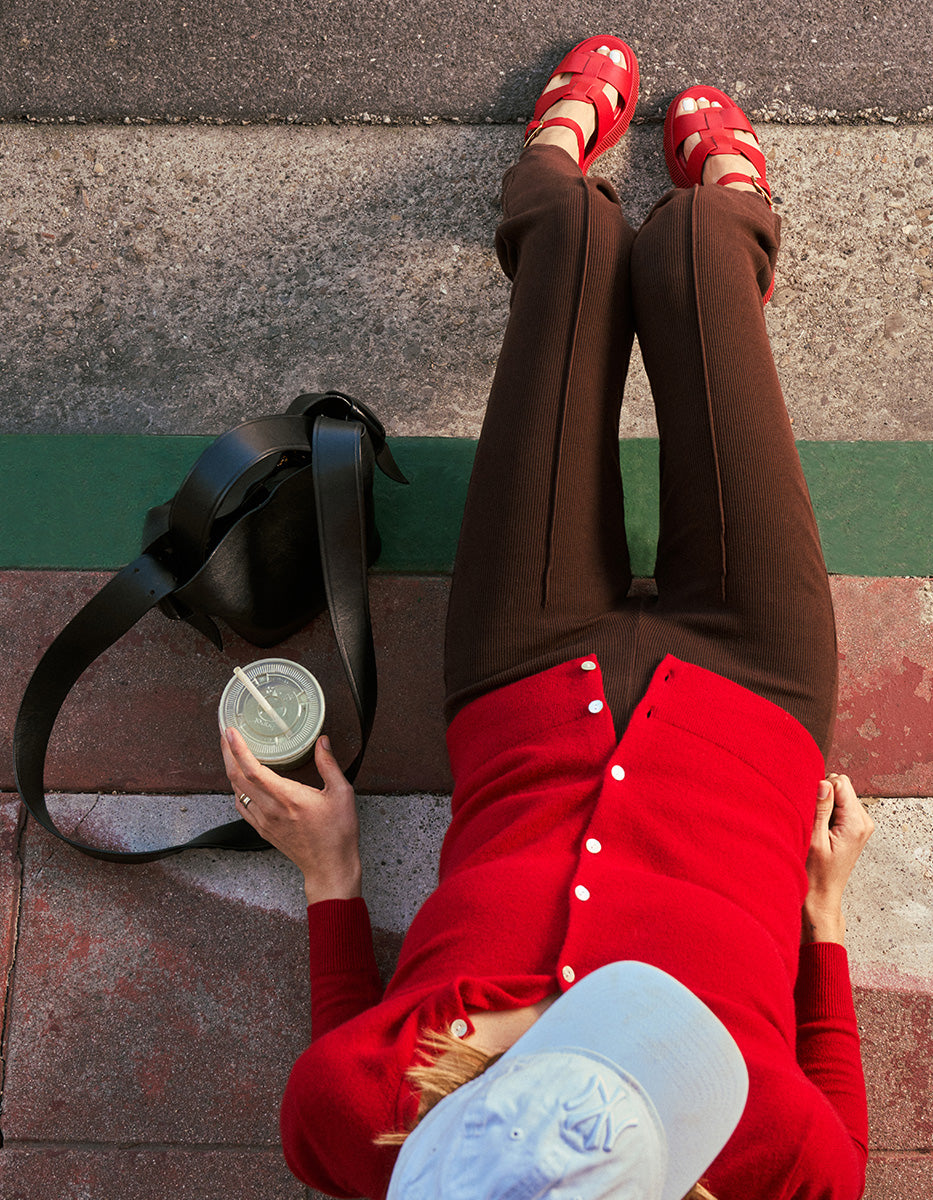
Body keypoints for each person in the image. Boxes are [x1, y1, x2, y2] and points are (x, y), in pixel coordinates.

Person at [221, 35, 876, 1200]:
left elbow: (339, 1059)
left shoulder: (350, 1122)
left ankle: (547, 179)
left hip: (525, 681)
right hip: (754, 702)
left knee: (571, 240)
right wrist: (820, 921)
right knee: (695, 243)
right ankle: (729, 237)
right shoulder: (769, 1161)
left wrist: (331, 869)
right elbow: (837, 1138)